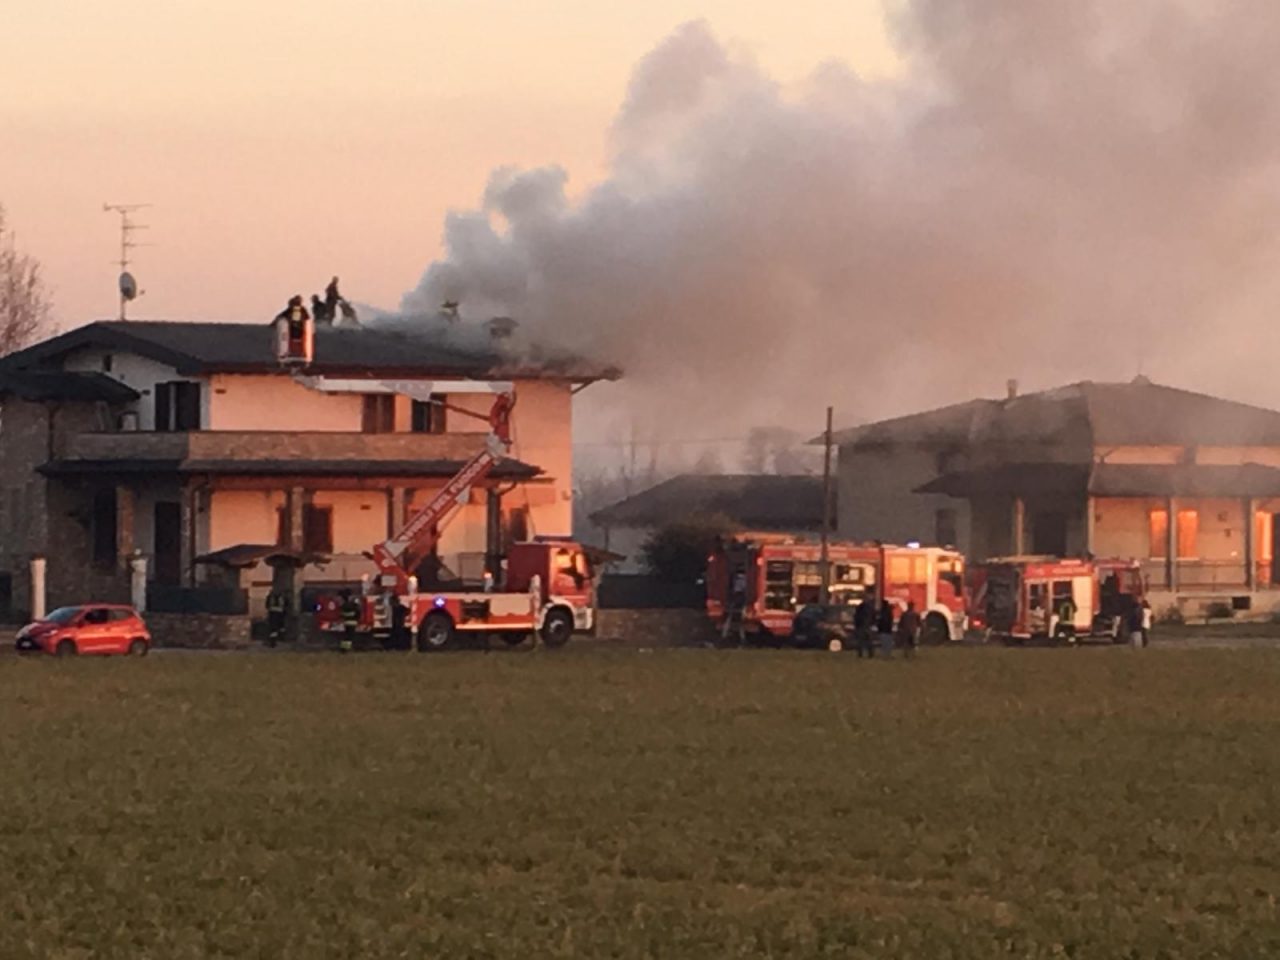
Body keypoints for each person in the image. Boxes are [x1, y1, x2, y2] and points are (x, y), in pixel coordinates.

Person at [853, 594, 875, 659]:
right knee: (867, 641)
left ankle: (862, 654)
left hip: (863, 626)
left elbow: (856, 616)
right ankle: (868, 654)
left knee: (862, 641)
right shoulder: (869, 607)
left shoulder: (860, 607)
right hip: (865, 626)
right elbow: (873, 616)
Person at [339, 589, 360, 654]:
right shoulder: (353, 605)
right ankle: (346, 650)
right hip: (353, 623)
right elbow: (357, 613)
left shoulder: (343, 605)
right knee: (350, 637)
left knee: (346, 636)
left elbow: (342, 614)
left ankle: (343, 649)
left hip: (346, 623)